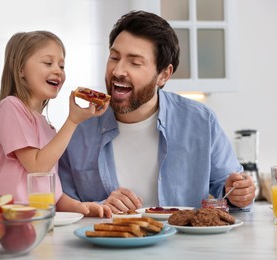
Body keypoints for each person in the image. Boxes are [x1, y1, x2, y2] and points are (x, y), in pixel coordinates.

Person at [59, 11, 256, 213]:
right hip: (106, 241)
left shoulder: (201, 121)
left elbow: (228, 187)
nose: (117, 71)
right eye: (114, 57)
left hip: (182, 243)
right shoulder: (76, 129)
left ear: (163, 75)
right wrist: (98, 208)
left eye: (135, 63)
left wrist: (239, 193)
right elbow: (58, 206)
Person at [0, 30, 111, 217]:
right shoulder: (10, 107)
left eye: (62, 65)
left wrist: (81, 207)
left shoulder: (48, 127)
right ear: (20, 69)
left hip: (38, 222)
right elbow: (37, 167)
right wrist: (73, 120)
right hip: (6, 219)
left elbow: (50, 194)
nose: (58, 70)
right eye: (48, 63)